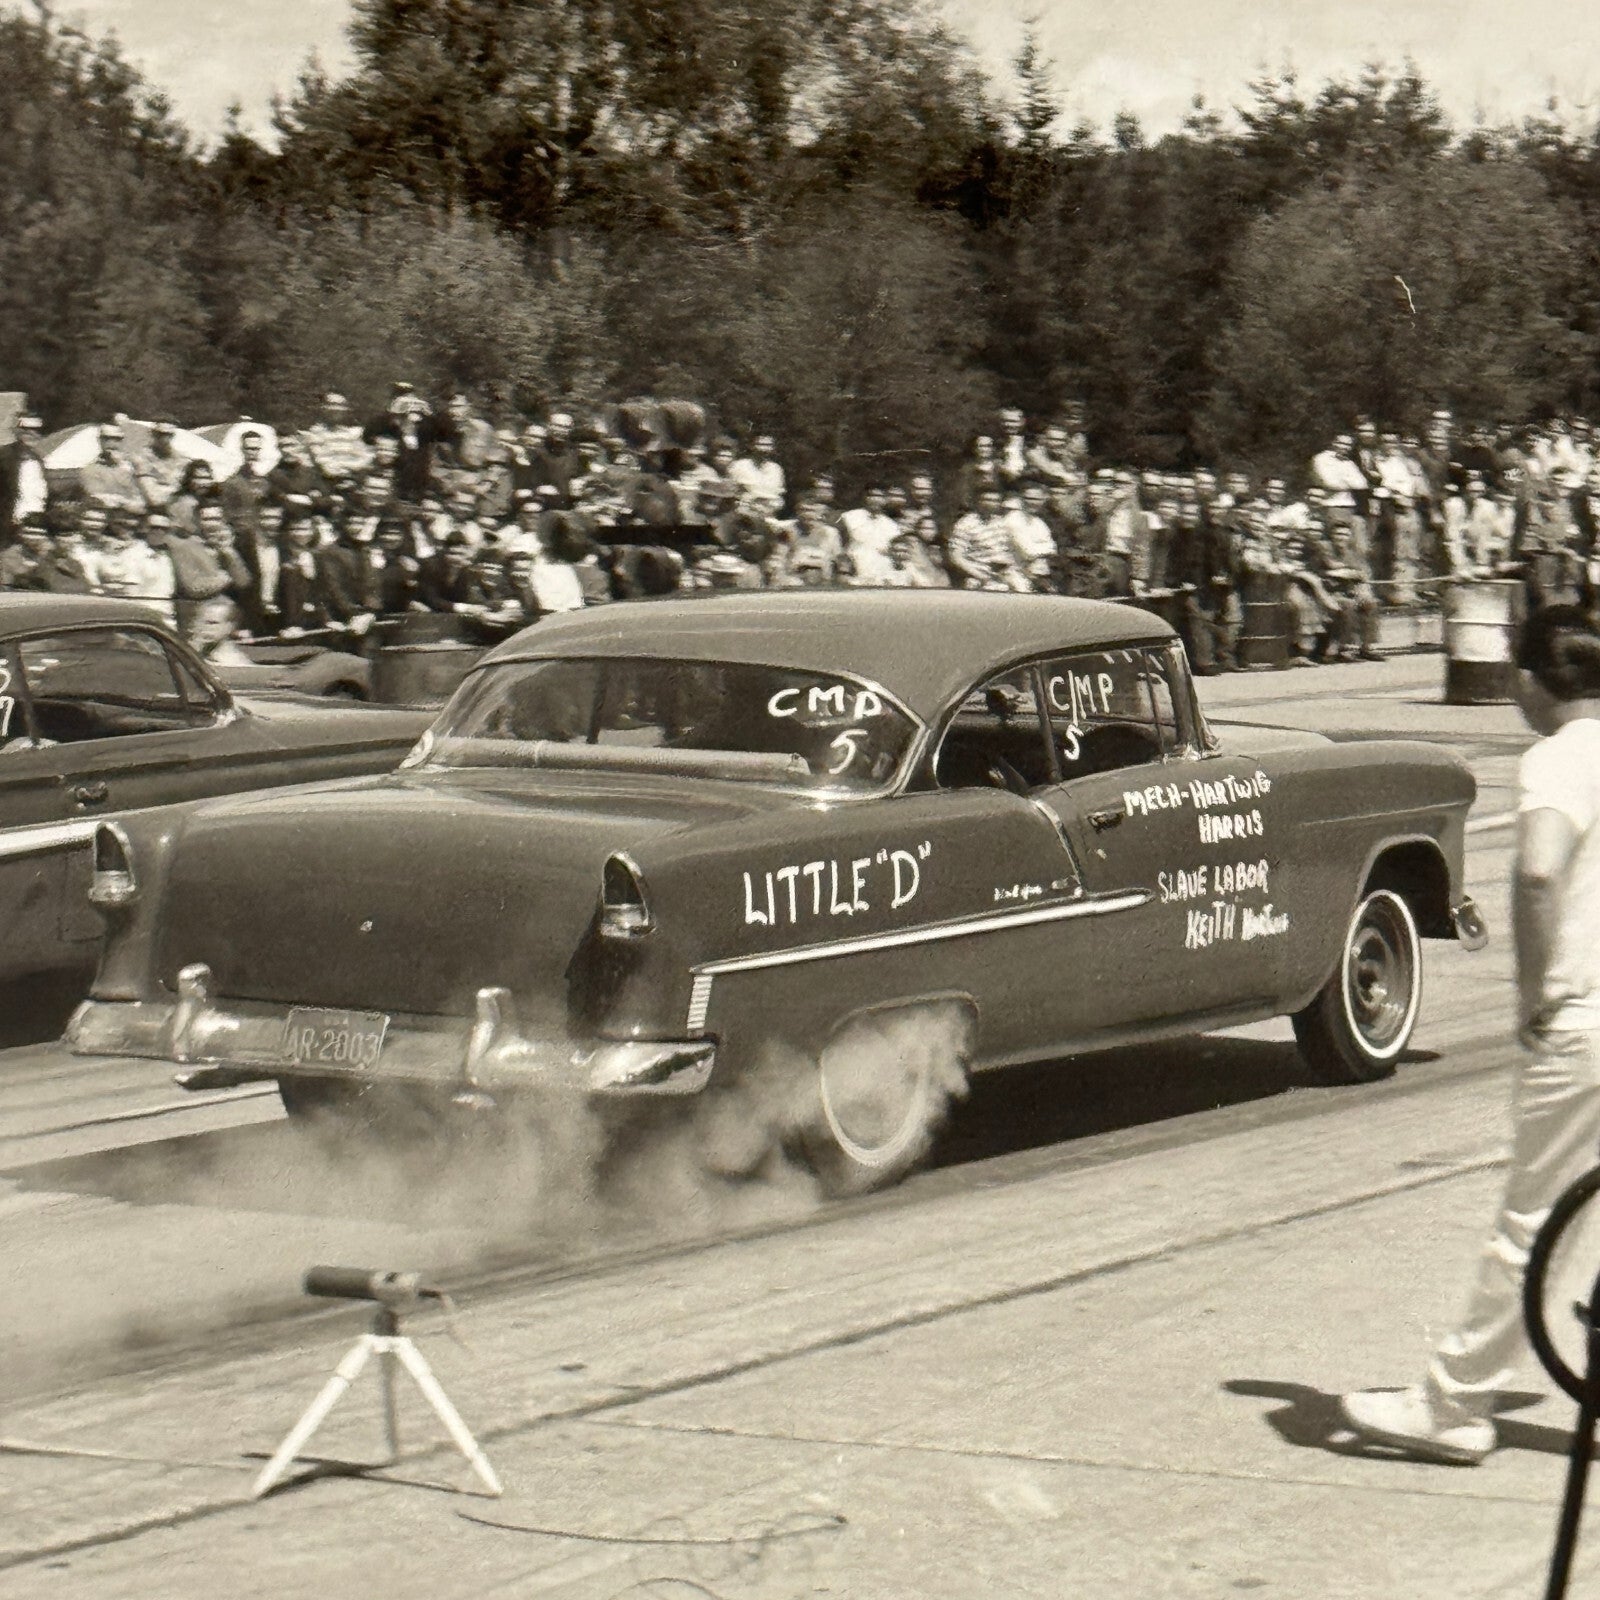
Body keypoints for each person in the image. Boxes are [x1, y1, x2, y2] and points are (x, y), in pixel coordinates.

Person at [1341, 606, 1600, 1465]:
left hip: (1583, 1024)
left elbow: (1535, 873)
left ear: (1531, 682)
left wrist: (1531, 994)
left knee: (1534, 1217)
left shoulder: (1559, 759)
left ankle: (1452, 1405)